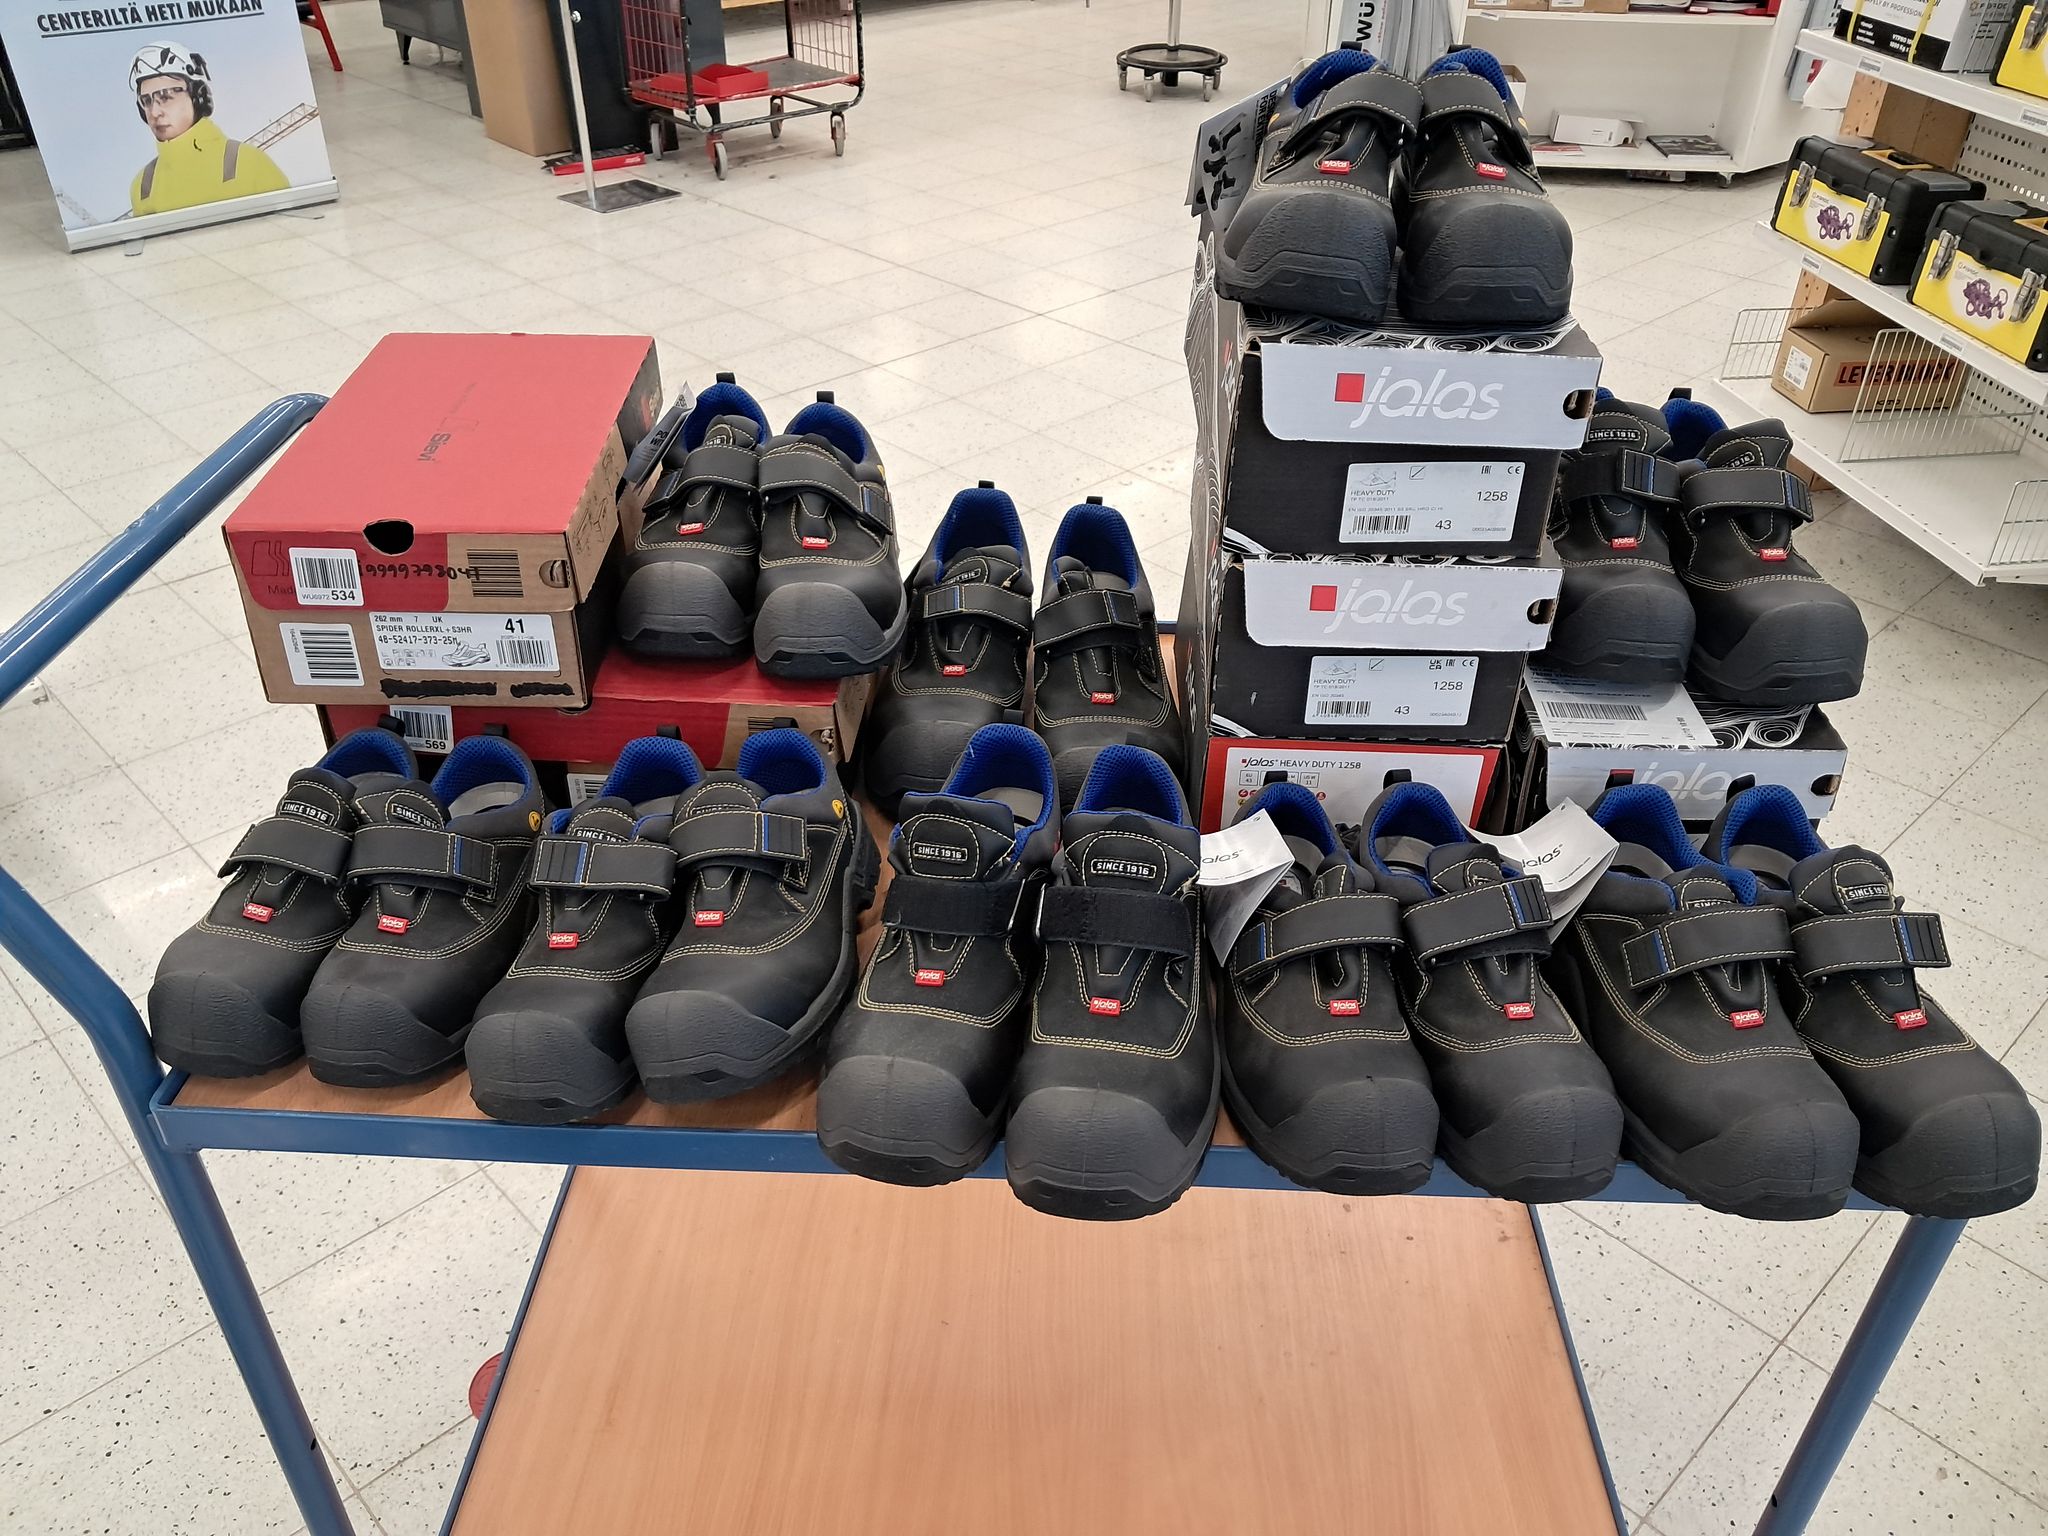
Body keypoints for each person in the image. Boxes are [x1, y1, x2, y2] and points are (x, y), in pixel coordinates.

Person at [128, 43, 288, 216]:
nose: (154, 112)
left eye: (166, 97)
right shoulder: (142, 186)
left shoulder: (247, 162)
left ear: (198, 97)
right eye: (146, 101)